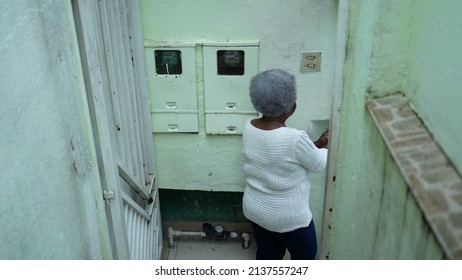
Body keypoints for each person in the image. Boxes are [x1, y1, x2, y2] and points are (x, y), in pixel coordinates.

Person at [242, 69, 329, 260]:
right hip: (289, 220)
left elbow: (283, 157)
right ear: (292, 107)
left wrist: (317, 144)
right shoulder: (295, 138)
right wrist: (329, 146)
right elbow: (317, 164)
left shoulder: (248, 126)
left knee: (268, 256)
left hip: (256, 210)